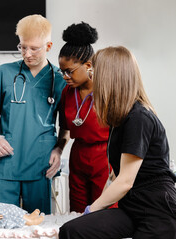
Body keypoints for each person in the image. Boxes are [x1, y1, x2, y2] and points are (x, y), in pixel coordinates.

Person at [59, 46, 176, 239]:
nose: (92, 78)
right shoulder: (119, 119)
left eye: (94, 73)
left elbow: (125, 182)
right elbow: (114, 176)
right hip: (133, 210)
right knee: (73, 231)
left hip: (161, 215)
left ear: (110, 78)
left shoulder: (139, 117)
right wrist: (93, 215)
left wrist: (92, 209)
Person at [0, 14, 66, 215]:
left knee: (38, 227)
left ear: (49, 46)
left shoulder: (60, 80)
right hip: (6, 163)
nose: (27, 54)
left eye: (34, 48)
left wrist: (59, 150)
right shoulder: (4, 72)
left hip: (41, 164)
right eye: (22, 47)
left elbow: (66, 124)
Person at [57, 22, 110, 213]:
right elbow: (64, 128)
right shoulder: (67, 93)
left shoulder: (108, 90)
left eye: (69, 71)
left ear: (88, 66)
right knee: (78, 213)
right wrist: (58, 149)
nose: (64, 76)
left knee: (103, 212)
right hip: (78, 155)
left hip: (105, 156)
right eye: (61, 71)